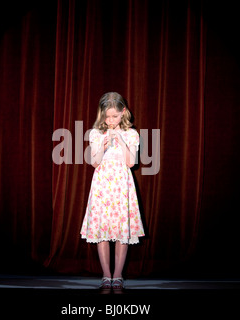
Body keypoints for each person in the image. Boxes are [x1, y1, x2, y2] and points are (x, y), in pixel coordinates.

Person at [80, 92, 145, 290]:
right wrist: (103, 145)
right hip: (102, 186)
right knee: (103, 232)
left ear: (123, 112)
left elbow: (131, 162)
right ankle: (106, 275)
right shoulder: (95, 133)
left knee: (120, 232)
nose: (110, 120)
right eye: (107, 116)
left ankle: (118, 275)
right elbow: (94, 162)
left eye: (114, 116)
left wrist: (121, 140)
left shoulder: (131, 134)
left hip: (121, 186)